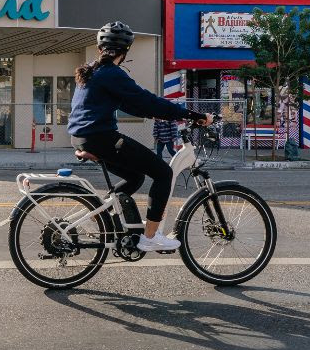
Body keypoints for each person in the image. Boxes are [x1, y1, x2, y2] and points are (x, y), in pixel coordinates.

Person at [67, 22, 212, 252]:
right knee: (163, 173)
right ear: (125, 52)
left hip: (84, 137)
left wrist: (155, 115)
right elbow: (146, 99)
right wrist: (192, 115)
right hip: (100, 138)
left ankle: (102, 215)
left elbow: (130, 103)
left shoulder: (94, 71)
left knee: (135, 178)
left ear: (101, 47)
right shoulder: (112, 73)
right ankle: (150, 237)